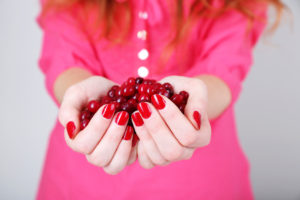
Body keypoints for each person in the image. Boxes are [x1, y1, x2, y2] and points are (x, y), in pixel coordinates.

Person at [36, 0, 283, 199]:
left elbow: (224, 70)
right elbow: (65, 56)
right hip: (78, 184)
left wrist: (198, 102)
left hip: (201, 185)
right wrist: (78, 92)